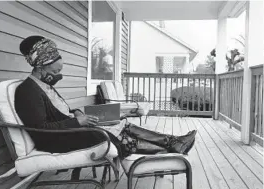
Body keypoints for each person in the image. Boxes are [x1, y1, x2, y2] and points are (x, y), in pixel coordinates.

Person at [15, 36, 196, 159]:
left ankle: (172, 142)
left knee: (120, 122)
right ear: (40, 67)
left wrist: (77, 113)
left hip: (70, 129)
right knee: (112, 133)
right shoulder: (27, 92)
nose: (57, 76)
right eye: (55, 71)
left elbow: (61, 112)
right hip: (58, 140)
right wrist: (79, 122)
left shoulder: (45, 86)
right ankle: (171, 149)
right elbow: (41, 129)